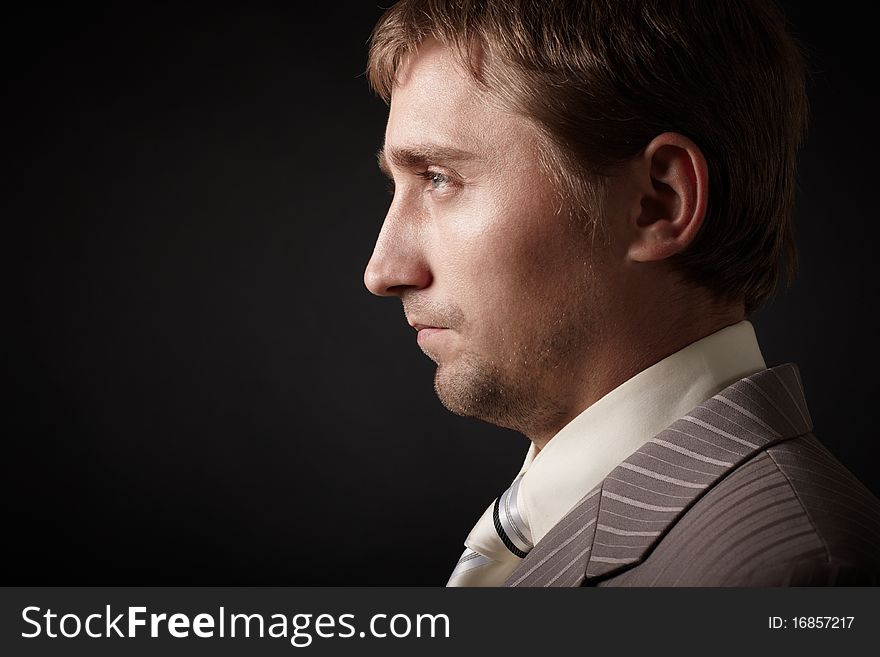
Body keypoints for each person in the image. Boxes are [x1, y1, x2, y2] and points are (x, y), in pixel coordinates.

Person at [362, 0, 880, 586]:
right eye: (399, 183)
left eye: (438, 178)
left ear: (657, 203)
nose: (383, 270)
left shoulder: (786, 582)